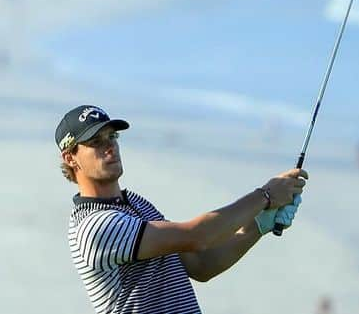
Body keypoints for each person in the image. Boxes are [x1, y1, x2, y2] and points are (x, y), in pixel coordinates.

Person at [56, 104, 307, 313]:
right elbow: (196, 237)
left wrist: (258, 225)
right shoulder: (92, 226)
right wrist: (265, 196)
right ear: (70, 158)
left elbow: (201, 264)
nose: (110, 146)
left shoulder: (135, 203)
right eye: (96, 142)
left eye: (112, 137)